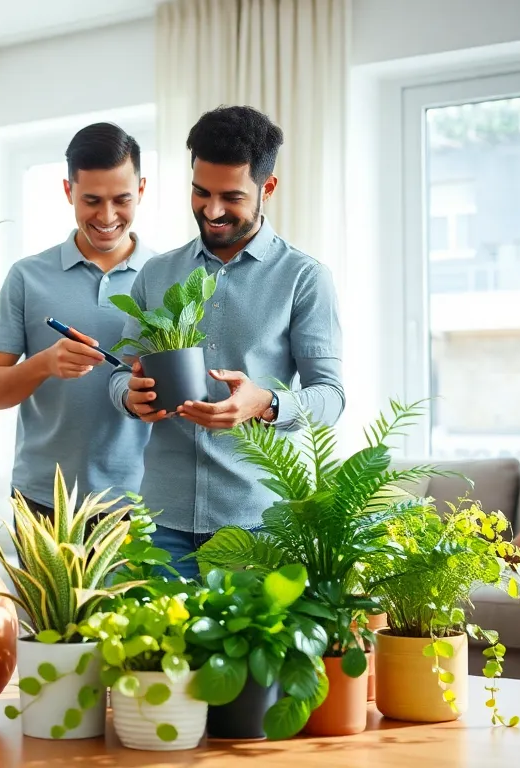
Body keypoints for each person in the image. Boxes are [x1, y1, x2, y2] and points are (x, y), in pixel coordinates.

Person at [109, 106, 344, 581]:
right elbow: (121, 372)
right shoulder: (157, 274)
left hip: (256, 527)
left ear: (267, 189)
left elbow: (331, 397)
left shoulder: (304, 278)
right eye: (201, 192)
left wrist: (266, 403)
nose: (212, 211)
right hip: (160, 520)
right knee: (149, 656)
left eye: (231, 197)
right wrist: (129, 398)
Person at [0, 123, 154, 522]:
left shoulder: (165, 278)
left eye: (121, 199)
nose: (107, 216)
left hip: (142, 502)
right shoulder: (27, 277)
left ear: (141, 190)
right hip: (43, 502)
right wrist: (44, 363)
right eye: (91, 200)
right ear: (68, 191)